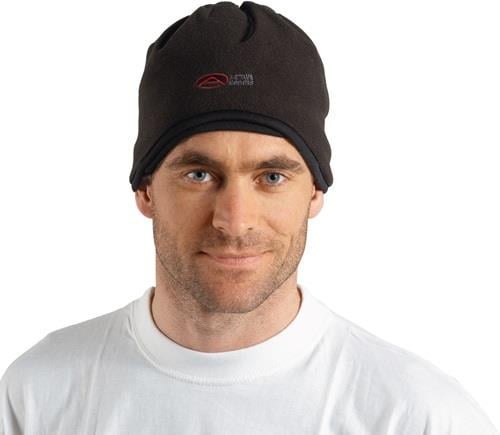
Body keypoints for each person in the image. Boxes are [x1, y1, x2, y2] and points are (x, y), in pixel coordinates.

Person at [0, 1, 498, 434]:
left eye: (272, 176)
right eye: (199, 174)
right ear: (145, 189)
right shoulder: (38, 396)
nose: (234, 222)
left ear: (315, 192)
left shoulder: (417, 417)